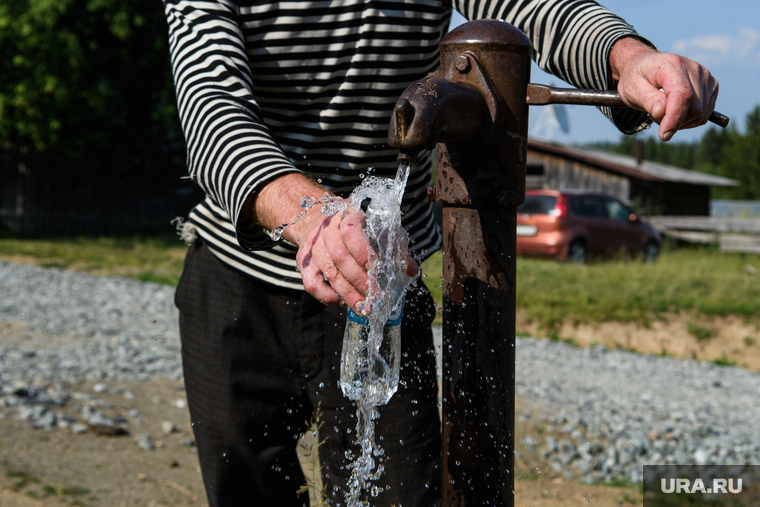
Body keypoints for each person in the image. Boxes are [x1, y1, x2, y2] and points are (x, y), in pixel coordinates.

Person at [163, 0, 718, 505]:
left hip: (385, 284)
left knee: (395, 494)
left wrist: (628, 58)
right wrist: (313, 216)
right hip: (239, 280)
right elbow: (212, 106)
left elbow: (538, 9)